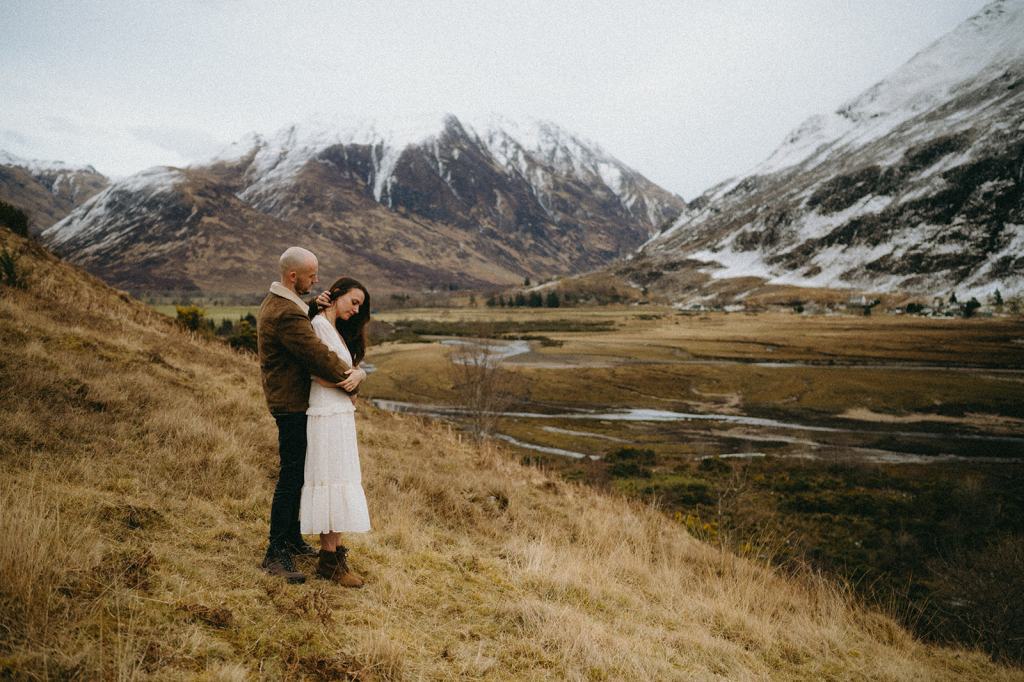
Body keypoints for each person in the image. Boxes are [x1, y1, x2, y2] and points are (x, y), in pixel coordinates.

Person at [256, 247, 356, 584]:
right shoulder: (286, 314)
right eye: (311, 276)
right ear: (293, 276)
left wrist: (313, 306)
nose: (316, 280)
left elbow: (297, 327)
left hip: (289, 401)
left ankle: (291, 538)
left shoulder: (281, 304)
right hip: (292, 404)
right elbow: (315, 354)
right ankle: (275, 552)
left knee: (298, 474)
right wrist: (352, 378)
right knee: (291, 477)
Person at [301, 277, 371, 587]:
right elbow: (317, 372)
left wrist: (360, 374)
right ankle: (329, 559)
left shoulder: (333, 328)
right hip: (327, 411)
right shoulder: (318, 325)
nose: (356, 310)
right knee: (330, 479)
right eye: (354, 302)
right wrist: (353, 382)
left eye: (360, 306)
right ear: (336, 294)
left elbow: (347, 371)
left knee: (339, 478)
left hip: (338, 412)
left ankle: (335, 553)